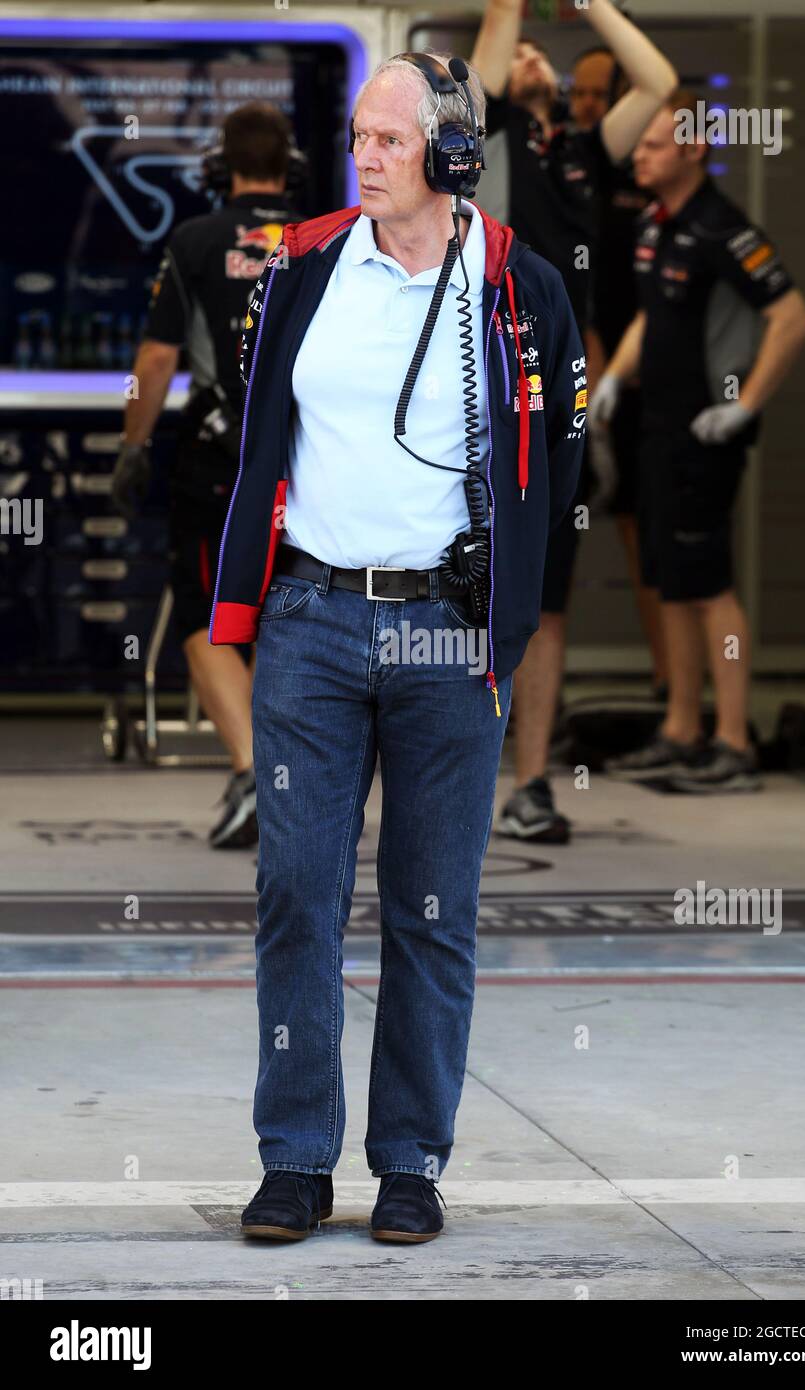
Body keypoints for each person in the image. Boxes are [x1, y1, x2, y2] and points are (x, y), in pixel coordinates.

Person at [208, 52, 585, 1242]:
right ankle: (295, 1157)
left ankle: (411, 1161)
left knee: (431, 909)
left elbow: (554, 461)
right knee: (295, 897)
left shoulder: (517, 288)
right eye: (357, 138)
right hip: (313, 620)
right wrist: (245, 602)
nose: (361, 156)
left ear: (453, 154)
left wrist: (503, 617)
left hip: (446, 635)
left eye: (386, 139)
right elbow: (257, 426)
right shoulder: (302, 266)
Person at [471, 0, 677, 841]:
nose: (529, 59)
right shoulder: (477, 142)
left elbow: (659, 81)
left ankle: (531, 786)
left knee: (544, 604)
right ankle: (439, 782)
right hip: (475, 386)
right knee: (450, 599)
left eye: (537, 55)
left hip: (556, 398)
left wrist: (595, 7)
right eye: (517, 53)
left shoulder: (589, 152)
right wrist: (507, 11)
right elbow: (479, 81)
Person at [593, 90, 805, 791]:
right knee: (671, 584)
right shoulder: (657, 226)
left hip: (704, 432)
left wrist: (743, 407)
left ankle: (733, 742)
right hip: (656, 426)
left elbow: (793, 318)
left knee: (709, 586)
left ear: (692, 149)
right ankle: (682, 730)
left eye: (654, 145)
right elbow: (650, 320)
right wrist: (614, 380)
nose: (640, 156)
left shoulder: (725, 229)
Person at [111, 103, 306, 847]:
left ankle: (257, 771)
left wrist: (135, 444)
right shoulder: (324, 240)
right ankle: (298, 778)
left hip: (218, 462)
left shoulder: (193, 241)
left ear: (220, 166)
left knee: (205, 613)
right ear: (289, 165)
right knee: (293, 612)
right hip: (305, 463)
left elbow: (156, 361)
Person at [570, 45, 667, 699]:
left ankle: (672, 688)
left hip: (646, 386)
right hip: (573, 378)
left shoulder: (651, 181)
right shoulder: (568, 171)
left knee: (648, 535)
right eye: (572, 95)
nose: (580, 108)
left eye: (593, 96)